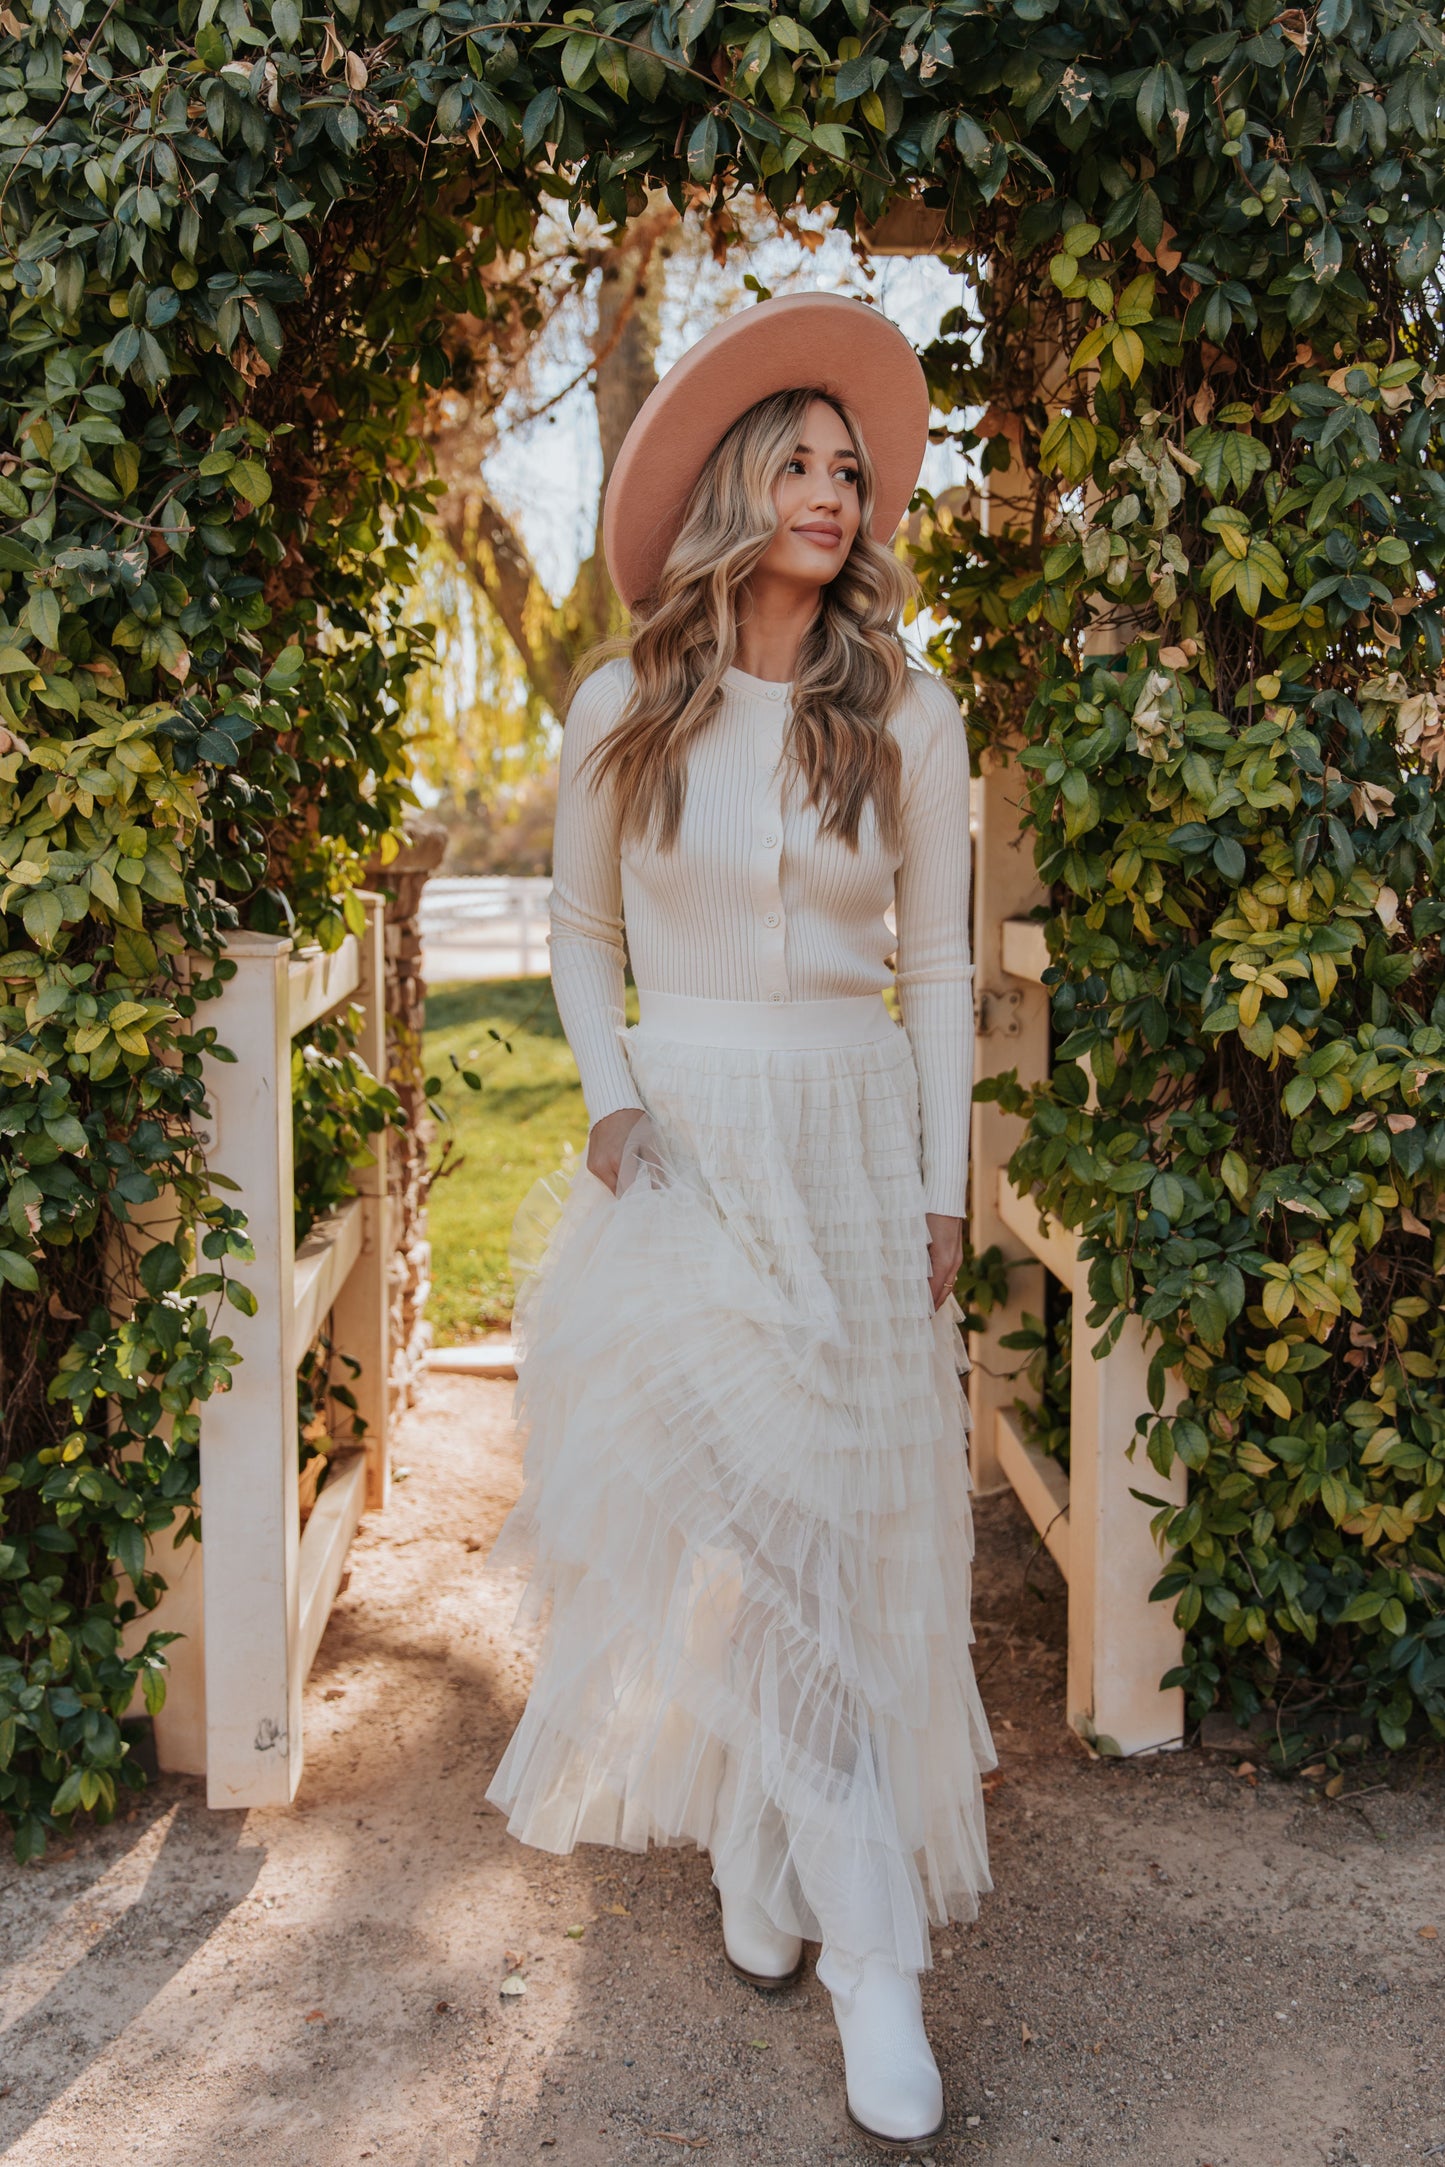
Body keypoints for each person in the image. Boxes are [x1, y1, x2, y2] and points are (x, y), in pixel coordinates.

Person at [483, 291, 995, 2149]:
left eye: (850, 469)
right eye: (796, 460)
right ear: (727, 489)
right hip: (684, 1142)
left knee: (835, 1536)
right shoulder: (624, 703)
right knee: (755, 1527)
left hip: (854, 1145)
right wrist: (609, 1099)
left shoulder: (909, 712)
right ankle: (878, 1960)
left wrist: (942, 1193)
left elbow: (936, 968)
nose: (832, 491)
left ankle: (772, 1866)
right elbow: (580, 933)